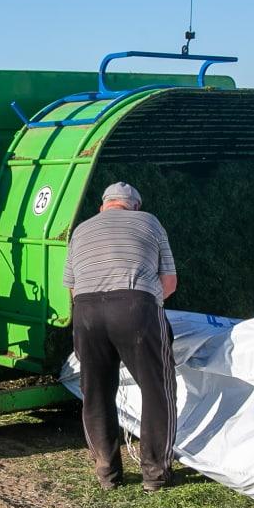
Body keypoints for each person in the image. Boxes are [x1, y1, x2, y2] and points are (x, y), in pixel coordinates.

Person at [62, 182, 178, 492]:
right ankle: (155, 473)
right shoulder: (149, 222)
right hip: (133, 307)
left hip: (85, 311)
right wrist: (148, 307)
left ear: (104, 206)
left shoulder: (81, 230)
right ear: (135, 207)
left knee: (96, 391)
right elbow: (169, 282)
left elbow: (71, 288)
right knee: (158, 387)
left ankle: (107, 473)